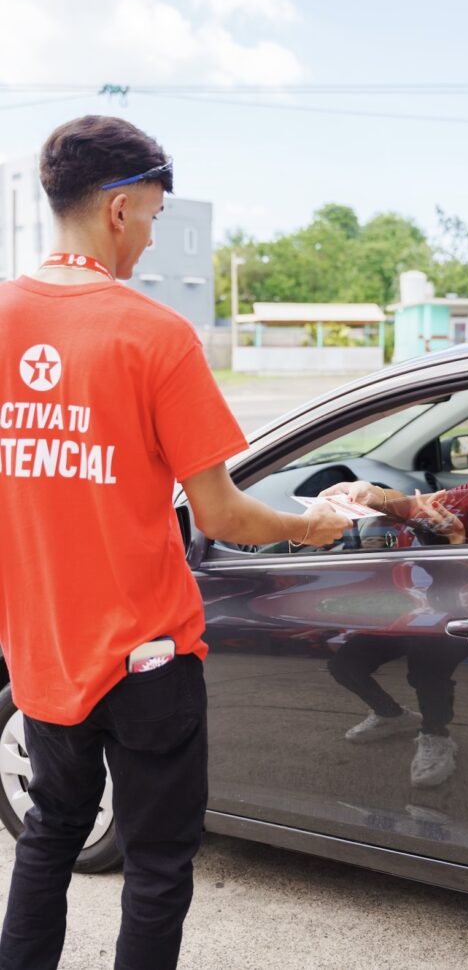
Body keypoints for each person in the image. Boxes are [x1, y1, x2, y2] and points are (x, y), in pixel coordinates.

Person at [0, 115, 349, 970]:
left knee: (47, 836)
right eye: (153, 215)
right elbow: (223, 515)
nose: (152, 239)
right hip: (147, 656)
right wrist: (311, 526)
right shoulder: (153, 334)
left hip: (42, 649)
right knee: (156, 864)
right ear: (118, 208)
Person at [321, 401, 468, 789]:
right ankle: (391, 715)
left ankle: (436, 735)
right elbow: (419, 507)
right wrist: (372, 495)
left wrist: (457, 543)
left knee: (427, 660)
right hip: (441, 608)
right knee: (346, 662)